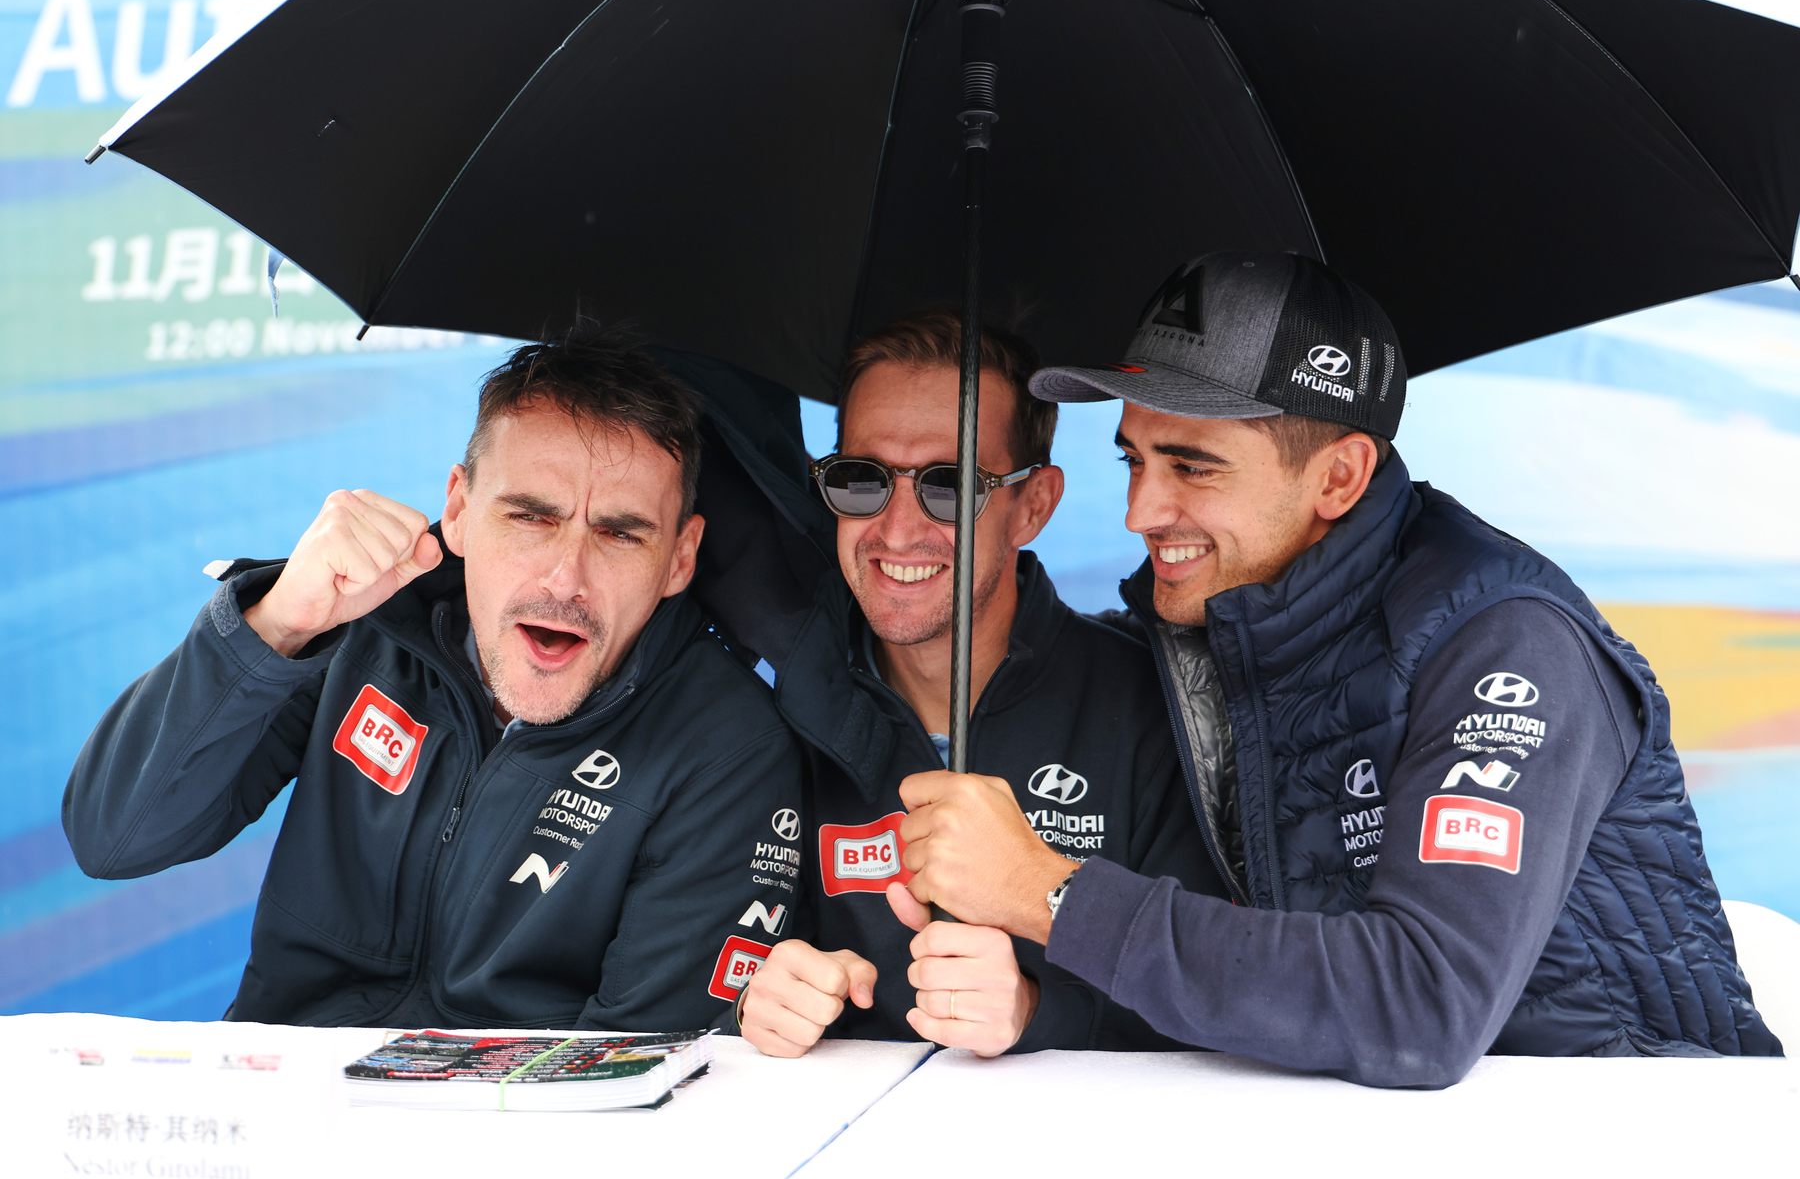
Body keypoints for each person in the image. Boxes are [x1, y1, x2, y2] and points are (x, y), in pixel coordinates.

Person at [891, 253, 1780, 1085]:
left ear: (1340, 478)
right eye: (1135, 459)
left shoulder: (1507, 643)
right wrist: (1029, 1004)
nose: (1140, 511)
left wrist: (1044, 891)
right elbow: (1240, 980)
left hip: (1628, 1127)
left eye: (1193, 467)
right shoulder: (1214, 633)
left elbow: (1421, 1003)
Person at [63, 326, 804, 1030]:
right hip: (293, 1095)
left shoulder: (727, 748)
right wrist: (278, 623)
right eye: (530, 517)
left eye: (619, 533)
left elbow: (639, 1066)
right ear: (458, 510)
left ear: (680, 557)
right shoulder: (364, 621)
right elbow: (115, 837)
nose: (565, 578)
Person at [735, 309, 1225, 1059]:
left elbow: (1216, 997)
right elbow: (707, 972)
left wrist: (1039, 1011)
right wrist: (762, 999)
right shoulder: (778, 704)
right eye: (863, 480)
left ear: (1034, 505)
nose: (897, 530)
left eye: (950, 485)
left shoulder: (1157, 704)